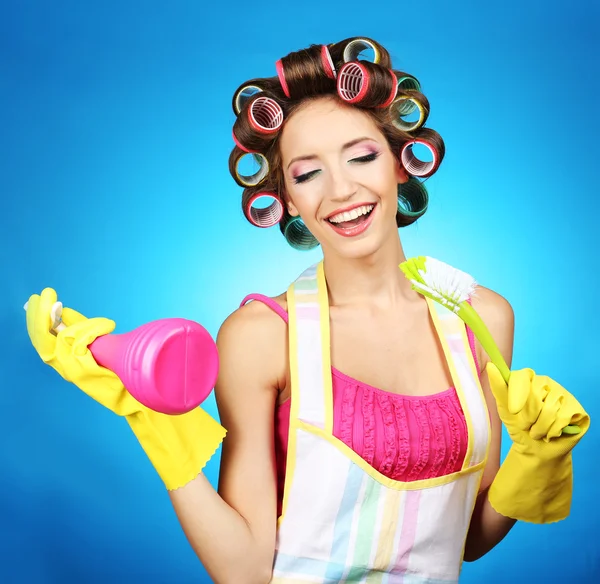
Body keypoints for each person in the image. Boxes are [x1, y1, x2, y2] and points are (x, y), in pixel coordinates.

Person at [25, 36, 589, 584]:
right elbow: (245, 571)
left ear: (399, 163)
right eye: (307, 172)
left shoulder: (481, 319)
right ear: (287, 197)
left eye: (362, 156)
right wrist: (156, 425)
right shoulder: (261, 337)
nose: (340, 189)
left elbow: (466, 541)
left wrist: (536, 459)